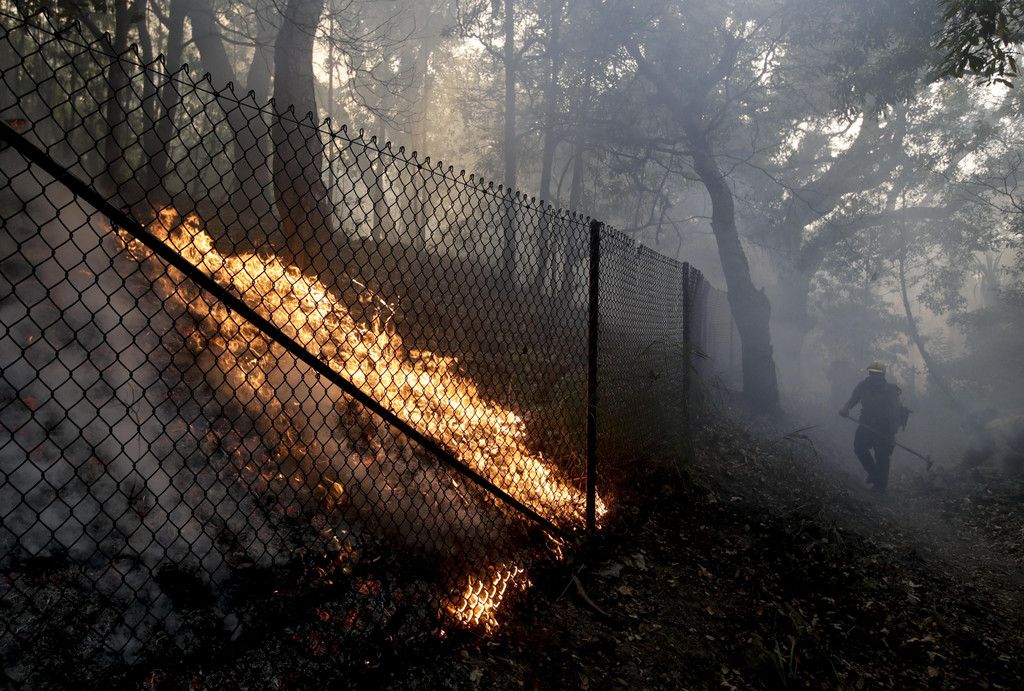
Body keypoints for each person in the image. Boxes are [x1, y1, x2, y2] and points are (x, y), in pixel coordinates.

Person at [839, 360, 909, 491]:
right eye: (872, 373)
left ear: (883, 375)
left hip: (884, 427)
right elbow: (853, 399)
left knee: (882, 455)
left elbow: (895, 410)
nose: (874, 376)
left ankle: (880, 487)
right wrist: (845, 408)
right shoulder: (863, 386)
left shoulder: (891, 390)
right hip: (866, 423)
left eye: (877, 373)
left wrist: (892, 429)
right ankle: (874, 474)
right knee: (859, 447)